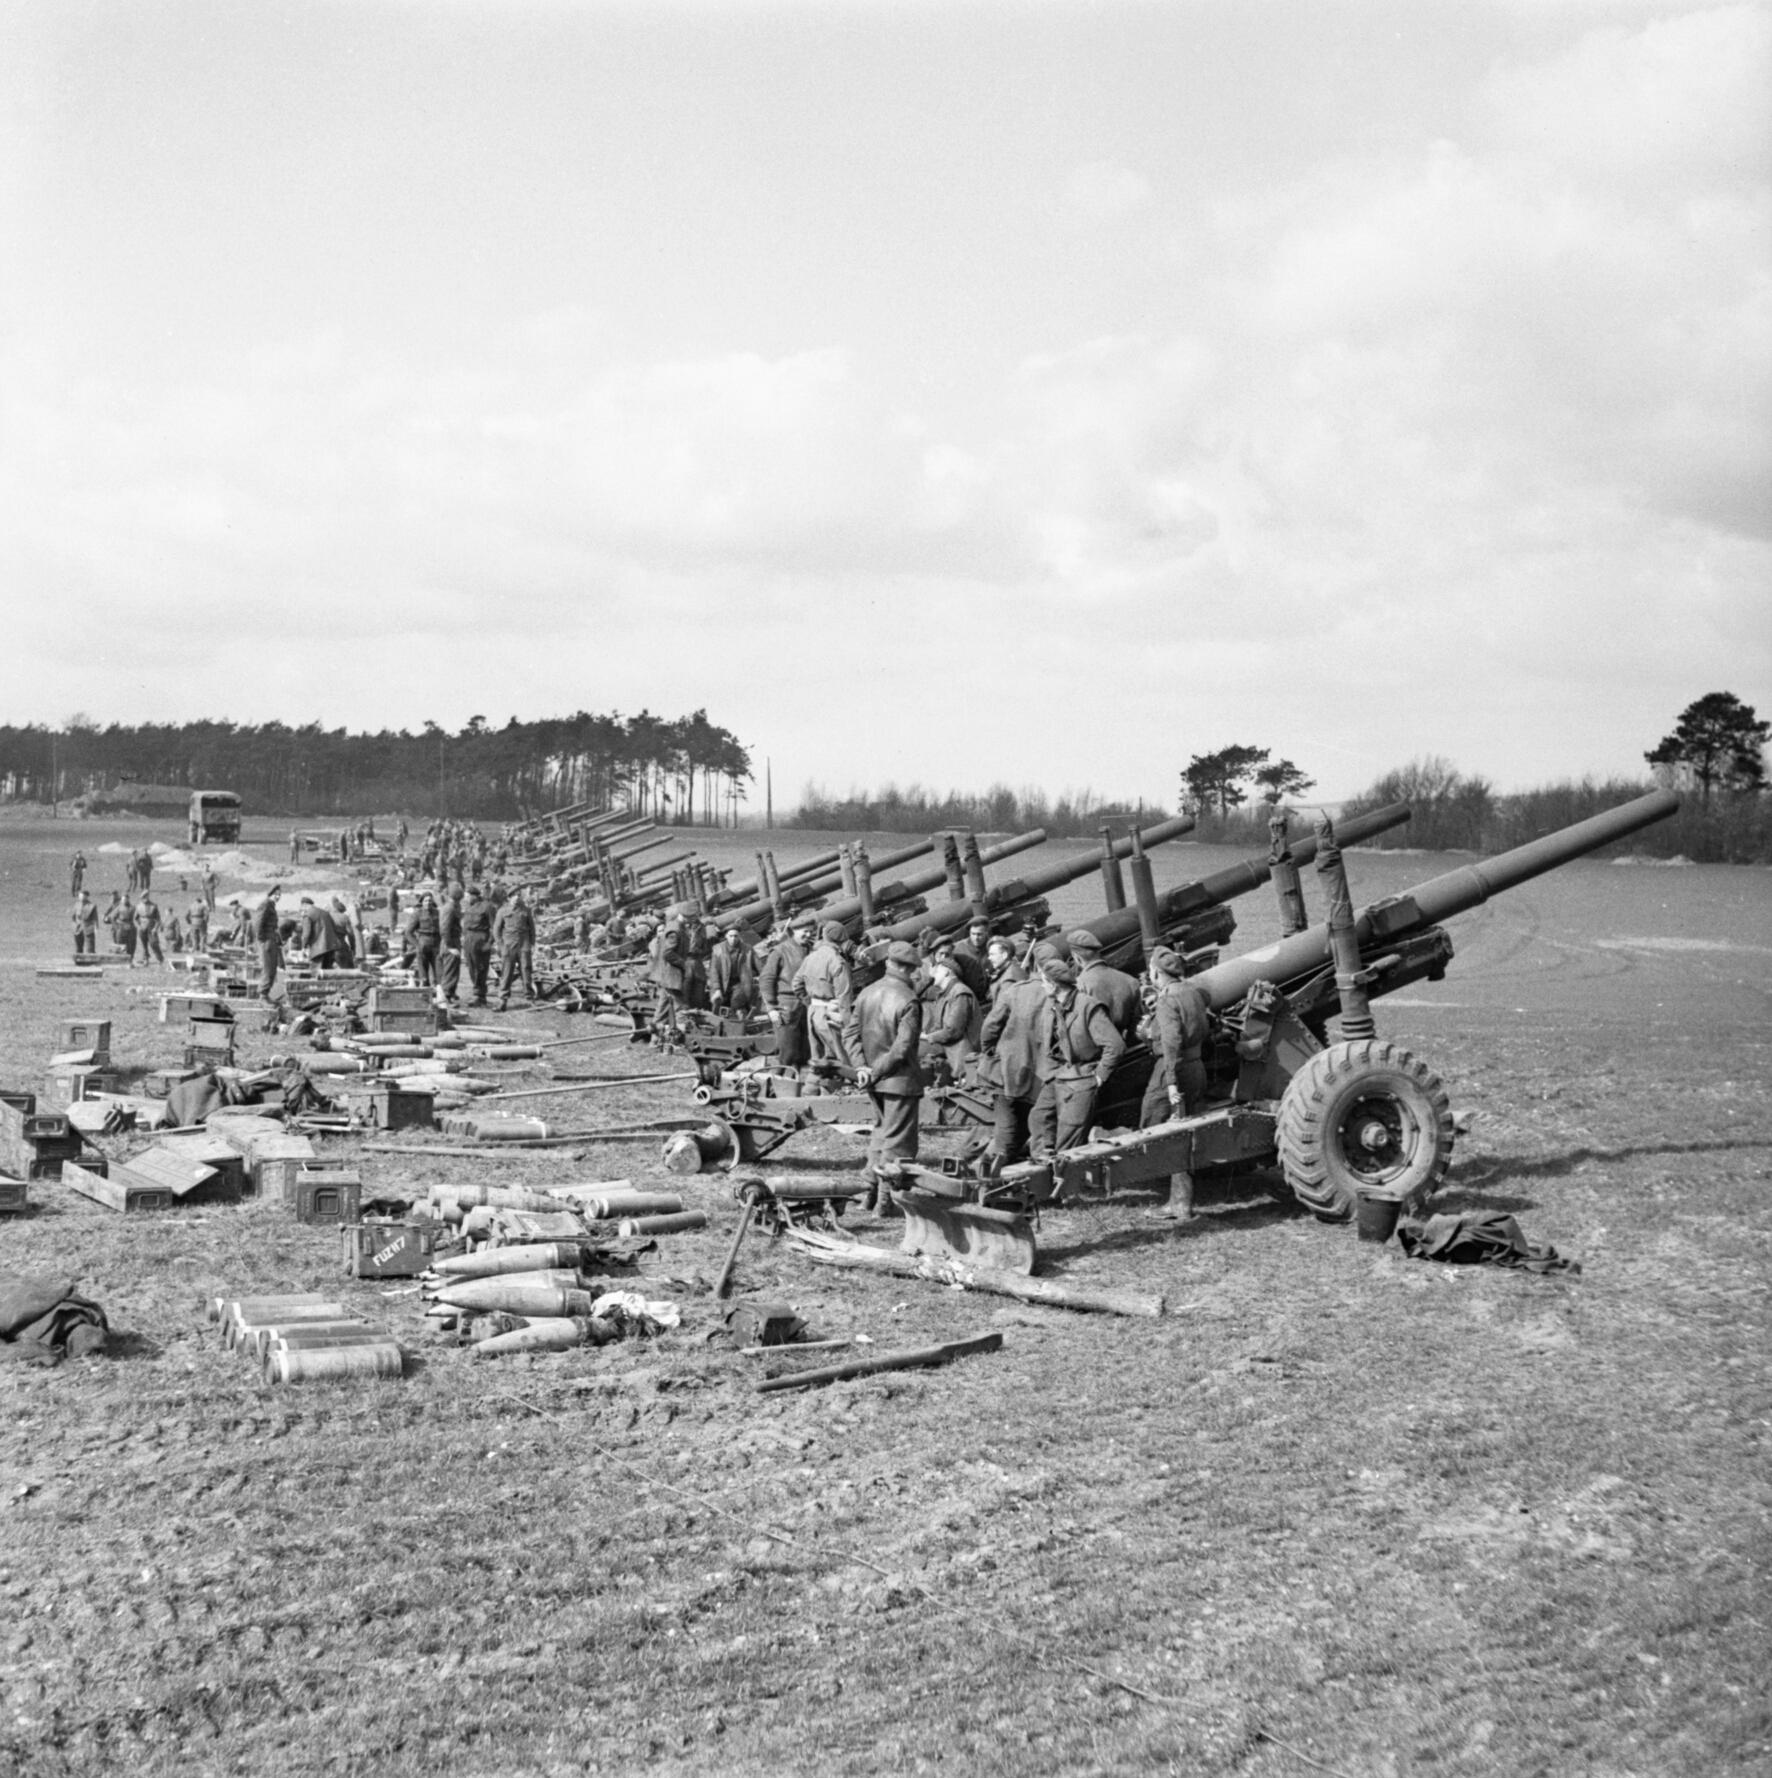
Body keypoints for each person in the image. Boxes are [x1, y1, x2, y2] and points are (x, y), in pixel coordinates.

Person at [843, 939, 926, 1207]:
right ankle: (884, 1202)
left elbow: (850, 1034)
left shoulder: (867, 992)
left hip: (874, 1081)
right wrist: (874, 1071)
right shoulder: (909, 999)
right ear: (909, 969)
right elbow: (902, 1049)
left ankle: (867, 1194)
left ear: (889, 964)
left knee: (879, 1137)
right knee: (898, 1144)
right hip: (899, 1081)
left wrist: (862, 1069)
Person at [1138, 947, 1213, 1219]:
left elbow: (1171, 1043)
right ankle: (1181, 1199)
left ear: (1156, 972)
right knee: (1185, 1130)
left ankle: (1179, 1202)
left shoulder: (1167, 1000)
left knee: (1152, 1126)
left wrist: (1169, 1082)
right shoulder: (1192, 991)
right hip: (1196, 1067)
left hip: (1173, 1070)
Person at [1029, 954, 1125, 1157]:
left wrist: (1099, 1076)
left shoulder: (1087, 1006)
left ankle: (1063, 1182)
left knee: (1068, 1136)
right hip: (1060, 1075)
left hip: (1082, 1078)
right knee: (1038, 1117)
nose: (1042, 987)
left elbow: (1115, 1046)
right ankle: (1042, 1165)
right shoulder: (1055, 1005)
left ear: (1054, 985)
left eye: (1044, 982)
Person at [978, 951, 1050, 1163]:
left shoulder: (1015, 991)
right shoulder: (1060, 995)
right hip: (1042, 1076)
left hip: (1008, 1071)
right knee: (1035, 1126)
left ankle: (988, 1167)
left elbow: (990, 1028)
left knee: (1007, 1129)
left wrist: (991, 1051)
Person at [794, 920, 855, 1070]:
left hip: (813, 1013)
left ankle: (815, 1092)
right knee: (844, 1062)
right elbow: (844, 998)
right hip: (831, 1014)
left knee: (818, 1062)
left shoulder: (810, 957)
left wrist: (811, 1003)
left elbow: (796, 984)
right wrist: (849, 1029)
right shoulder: (837, 962)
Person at [759, 915, 814, 1070]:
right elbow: (766, 979)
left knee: (807, 1051)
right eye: (804, 932)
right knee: (788, 1051)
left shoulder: (812, 949)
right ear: (792, 931)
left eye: (811, 932)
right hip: (786, 1006)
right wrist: (771, 1008)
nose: (808, 935)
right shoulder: (779, 951)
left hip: (807, 1004)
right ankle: (783, 1085)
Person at [1065, 929, 1142, 1037]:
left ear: (1076, 957)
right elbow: (1137, 1021)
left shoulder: (1079, 986)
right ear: (1098, 952)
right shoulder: (1131, 981)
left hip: (1099, 1049)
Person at [920, 952, 979, 1081]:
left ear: (947, 973)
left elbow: (953, 1031)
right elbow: (938, 1025)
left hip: (963, 1060)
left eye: (937, 971)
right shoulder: (945, 994)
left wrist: (927, 1037)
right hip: (951, 1055)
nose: (933, 975)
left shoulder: (960, 993)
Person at [494, 887, 536, 1010]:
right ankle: (503, 1000)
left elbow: (532, 929)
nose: (517, 897)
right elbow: (496, 930)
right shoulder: (502, 911)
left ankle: (530, 999)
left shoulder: (526, 910)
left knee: (526, 971)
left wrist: (532, 944)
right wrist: (501, 946)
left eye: (519, 895)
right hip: (508, 945)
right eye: (514, 895)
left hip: (524, 944)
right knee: (506, 973)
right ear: (509, 897)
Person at [648, 915, 689, 1037]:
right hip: (671, 974)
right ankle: (681, 1038)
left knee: (662, 1008)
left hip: (669, 975)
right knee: (680, 1007)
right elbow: (668, 953)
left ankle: (654, 1038)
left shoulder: (675, 927)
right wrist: (683, 963)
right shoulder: (675, 931)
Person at [708, 926, 757, 1017]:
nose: (733, 938)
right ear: (726, 936)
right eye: (731, 936)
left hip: (740, 983)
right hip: (722, 983)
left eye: (736, 936)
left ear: (739, 936)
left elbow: (760, 967)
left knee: (736, 1003)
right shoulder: (718, 949)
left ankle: (738, 1023)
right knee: (717, 1005)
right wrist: (717, 989)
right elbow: (713, 970)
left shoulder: (748, 949)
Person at [460, 884, 494, 1006]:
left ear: (474, 896)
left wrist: (489, 943)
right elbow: (465, 925)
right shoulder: (469, 907)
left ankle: (480, 995)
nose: (466, 898)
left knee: (481, 968)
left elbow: (494, 927)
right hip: (469, 939)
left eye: (468, 896)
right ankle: (477, 993)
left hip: (481, 939)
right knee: (471, 967)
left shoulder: (487, 906)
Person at [252, 885, 284, 998]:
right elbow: (258, 922)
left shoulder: (271, 905)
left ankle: (266, 994)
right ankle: (263, 994)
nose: (278, 897)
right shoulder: (265, 904)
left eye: (279, 895)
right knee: (268, 968)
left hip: (271, 939)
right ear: (270, 894)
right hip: (266, 940)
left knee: (272, 968)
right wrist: (261, 938)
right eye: (276, 894)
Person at [298, 896, 344, 970]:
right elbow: (334, 928)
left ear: (304, 905)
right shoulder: (325, 913)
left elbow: (306, 934)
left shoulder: (307, 915)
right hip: (331, 947)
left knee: (315, 972)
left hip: (318, 949)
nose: (301, 909)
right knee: (327, 972)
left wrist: (303, 947)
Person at [407, 893, 441, 988]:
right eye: (426, 901)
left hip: (436, 944)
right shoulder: (417, 914)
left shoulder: (438, 913)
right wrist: (417, 945)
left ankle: (438, 995)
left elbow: (443, 929)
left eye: (430, 900)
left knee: (439, 973)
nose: (428, 903)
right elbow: (408, 932)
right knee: (424, 975)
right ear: (422, 902)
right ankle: (425, 995)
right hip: (423, 943)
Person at [437, 888, 463, 1006]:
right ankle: (445, 998)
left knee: (453, 971)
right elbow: (444, 929)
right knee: (450, 972)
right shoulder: (450, 908)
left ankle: (450, 995)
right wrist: (450, 946)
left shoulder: (453, 907)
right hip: (450, 943)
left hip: (453, 941)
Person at [71, 891, 98, 957]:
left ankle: (91, 959)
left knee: (90, 945)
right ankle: (79, 959)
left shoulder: (92, 906)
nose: (81, 897)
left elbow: (95, 918)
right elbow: (73, 917)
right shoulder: (76, 904)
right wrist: (74, 926)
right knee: (78, 945)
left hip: (88, 926)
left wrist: (96, 928)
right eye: (80, 896)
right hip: (78, 927)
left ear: (86, 896)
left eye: (82, 896)